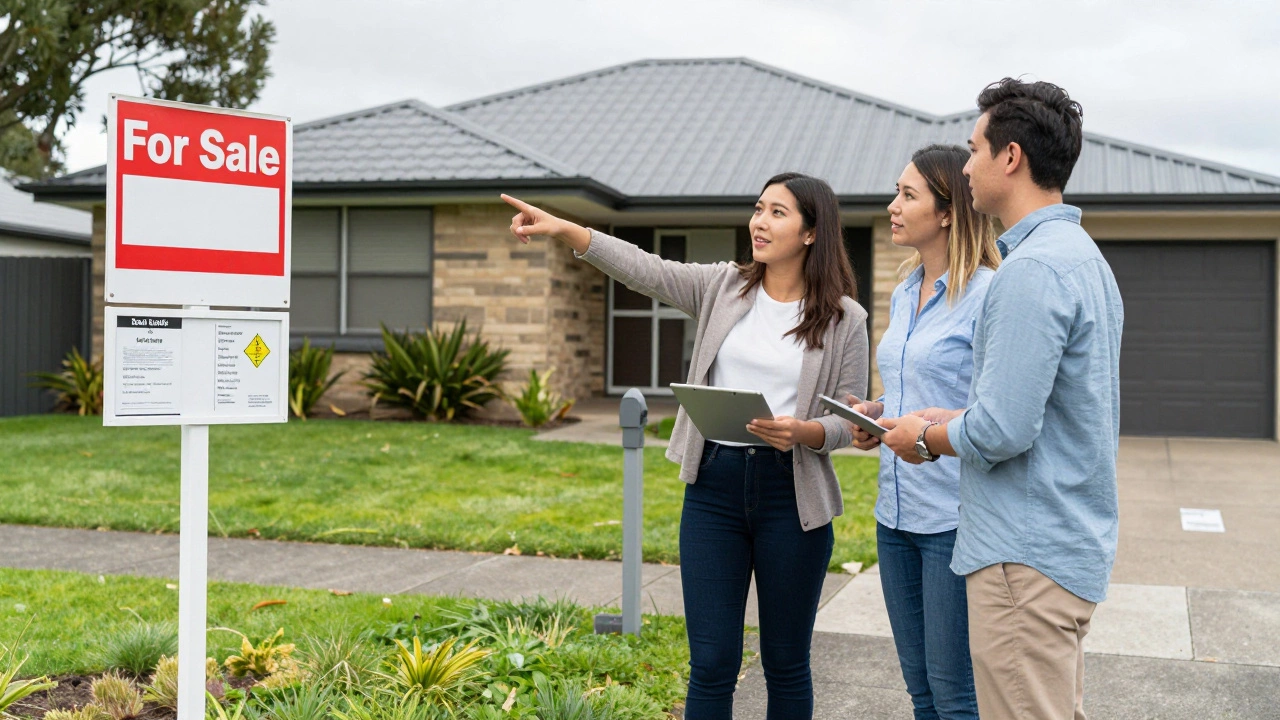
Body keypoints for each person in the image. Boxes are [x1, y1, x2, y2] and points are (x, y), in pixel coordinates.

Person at [502, 172, 868, 720]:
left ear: (811, 233)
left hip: (793, 497)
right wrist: (566, 231)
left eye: (777, 213)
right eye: (757, 208)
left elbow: (851, 419)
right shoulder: (724, 287)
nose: (759, 222)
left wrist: (806, 432)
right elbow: (643, 269)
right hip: (714, 488)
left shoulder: (844, 318)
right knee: (713, 662)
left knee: (786, 661)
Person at [878, 79, 1125, 720]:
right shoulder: (1081, 258)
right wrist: (952, 416)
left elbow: (1005, 430)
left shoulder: (1030, 271)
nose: (966, 166)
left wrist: (928, 438)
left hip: (1024, 556)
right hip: (1060, 547)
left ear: (1010, 157)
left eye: (974, 148)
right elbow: (1038, 411)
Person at [846, 144, 999, 720]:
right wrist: (877, 412)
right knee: (919, 690)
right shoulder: (907, 290)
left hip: (953, 521)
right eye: (896, 192)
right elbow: (922, 388)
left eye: (907, 195)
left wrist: (921, 429)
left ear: (948, 212)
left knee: (955, 694)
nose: (892, 206)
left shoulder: (988, 294)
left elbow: (993, 410)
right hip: (895, 516)